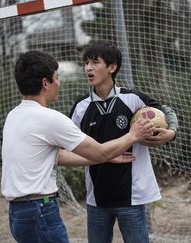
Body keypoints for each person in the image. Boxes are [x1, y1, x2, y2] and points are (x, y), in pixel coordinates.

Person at [0, 50, 154, 243]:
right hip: (40, 210)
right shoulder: (50, 118)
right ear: (45, 83)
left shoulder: (14, 115)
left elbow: (56, 156)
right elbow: (98, 151)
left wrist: (104, 156)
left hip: (18, 213)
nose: (59, 83)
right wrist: (133, 135)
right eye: (57, 77)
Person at [69, 41, 179, 243]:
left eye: (95, 62)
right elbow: (68, 145)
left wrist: (171, 132)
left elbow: (167, 111)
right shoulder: (80, 106)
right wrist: (104, 155)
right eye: (86, 63)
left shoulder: (132, 99)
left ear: (112, 67)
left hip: (131, 196)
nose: (88, 68)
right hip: (96, 198)